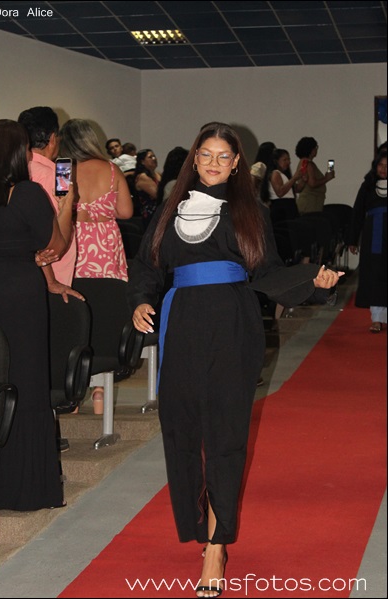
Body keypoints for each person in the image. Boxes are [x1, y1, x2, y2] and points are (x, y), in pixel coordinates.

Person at [127, 123, 342, 597]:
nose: (214, 163)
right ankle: (198, 524)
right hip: (181, 324)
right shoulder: (169, 210)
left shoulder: (250, 211)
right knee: (182, 430)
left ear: (236, 163)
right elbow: (147, 265)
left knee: (224, 436)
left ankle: (216, 547)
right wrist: (141, 300)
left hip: (232, 325)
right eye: (206, 154)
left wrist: (312, 281)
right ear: (194, 158)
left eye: (223, 156)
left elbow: (268, 273)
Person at [0, 119, 75, 510]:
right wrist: (66, 204)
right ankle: (24, 486)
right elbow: (55, 245)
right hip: (20, 297)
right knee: (25, 380)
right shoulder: (25, 193)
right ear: (19, 153)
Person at [60, 119, 133, 413]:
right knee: (106, 312)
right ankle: (101, 389)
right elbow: (126, 211)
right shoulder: (112, 169)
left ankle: (73, 390)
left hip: (74, 245)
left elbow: (57, 207)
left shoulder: (63, 170)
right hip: (105, 247)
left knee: (75, 312)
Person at [17, 106, 83, 304]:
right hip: (53, 271)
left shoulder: (15, 171)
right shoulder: (55, 176)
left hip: (20, 270)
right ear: (53, 138)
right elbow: (54, 239)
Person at [348, 148, 387, 333]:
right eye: (381, 165)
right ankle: (377, 319)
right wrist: (352, 239)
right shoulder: (368, 186)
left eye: (387, 166)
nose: (384, 169)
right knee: (375, 275)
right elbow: (357, 212)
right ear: (375, 166)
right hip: (374, 236)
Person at [261, 148, 305, 223]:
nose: (288, 162)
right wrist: (294, 178)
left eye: (288, 159)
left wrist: (303, 180)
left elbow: (297, 189)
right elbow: (280, 192)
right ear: (276, 161)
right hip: (281, 207)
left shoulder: (283, 174)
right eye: (285, 160)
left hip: (289, 205)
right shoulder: (275, 173)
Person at [295, 136, 335, 215]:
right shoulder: (308, 164)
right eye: (316, 147)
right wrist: (327, 178)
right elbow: (312, 183)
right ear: (311, 149)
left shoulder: (303, 162)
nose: (316, 150)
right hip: (310, 204)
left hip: (311, 204)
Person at [133, 148, 162, 230]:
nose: (154, 159)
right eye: (150, 157)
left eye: (154, 156)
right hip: (151, 215)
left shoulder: (158, 174)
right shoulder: (142, 177)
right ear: (142, 161)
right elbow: (158, 194)